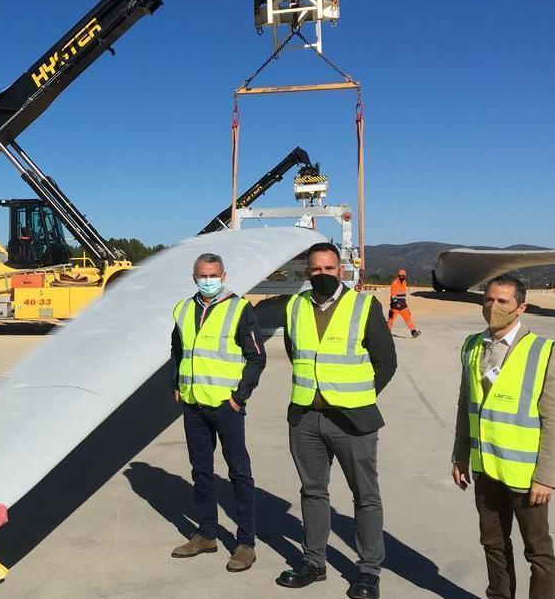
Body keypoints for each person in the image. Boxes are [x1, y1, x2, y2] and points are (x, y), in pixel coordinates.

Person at [277, 242, 397, 599]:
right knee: (313, 492)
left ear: (341, 271)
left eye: (329, 269)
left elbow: (385, 362)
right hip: (305, 416)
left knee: (365, 495)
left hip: (352, 420)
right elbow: (294, 351)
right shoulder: (295, 306)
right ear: (307, 272)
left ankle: (368, 571)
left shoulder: (364, 306)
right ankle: (314, 563)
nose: (322, 275)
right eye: (315, 269)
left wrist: (356, 397)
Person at [451, 275, 555, 599]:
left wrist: (546, 476)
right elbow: (467, 406)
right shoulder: (472, 346)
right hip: (486, 469)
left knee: (538, 552)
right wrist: (460, 455)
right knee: (493, 544)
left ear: (521, 307)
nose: (493, 307)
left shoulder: (543, 352)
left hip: (526, 475)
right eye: (488, 300)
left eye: (503, 301)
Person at [169, 253, 266, 573]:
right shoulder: (184, 309)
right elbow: (178, 350)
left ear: (223, 276)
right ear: (194, 277)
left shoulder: (239, 309)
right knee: (201, 471)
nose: (207, 280)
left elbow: (256, 357)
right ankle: (207, 533)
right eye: (201, 275)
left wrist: (239, 397)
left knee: (239, 472)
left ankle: (246, 542)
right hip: (194, 403)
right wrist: (176, 383)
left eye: (213, 275)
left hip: (226, 405)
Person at [387, 268, 420, 338]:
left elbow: (403, 295)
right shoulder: (394, 284)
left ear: (405, 276)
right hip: (395, 306)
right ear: (398, 276)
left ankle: (414, 332)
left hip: (403, 305)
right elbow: (393, 295)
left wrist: (405, 305)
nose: (402, 277)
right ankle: (386, 332)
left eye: (403, 276)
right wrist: (396, 304)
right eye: (400, 276)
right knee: (391, 320)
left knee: (408, 319)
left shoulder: (404, 283)